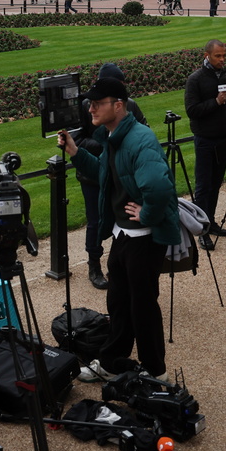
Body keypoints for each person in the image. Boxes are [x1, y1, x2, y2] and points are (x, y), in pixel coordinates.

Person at [58, 77, 178, 383]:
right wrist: (75, 152)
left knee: (143, 308)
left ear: (119, 106)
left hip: (144, 239)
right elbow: (104, 172)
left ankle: (156, 373)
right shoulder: (114, 136)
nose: (91, 109)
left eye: (98, 104)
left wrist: (148, 214)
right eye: (90, 104)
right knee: (119, 302)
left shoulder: (140, 138)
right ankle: (112, 362)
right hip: (124, 235)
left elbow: (160, 187)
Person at [71, 63, 147, 290]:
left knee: (122, 220)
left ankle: (117, 264)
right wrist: (111, 143)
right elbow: (77, 141)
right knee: (95, 221)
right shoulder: (87, 107)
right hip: (93, 177)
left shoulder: (130, 105)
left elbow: (144, 130)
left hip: (120, 177)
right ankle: (93, 264)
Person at [185, 39, 226, 249]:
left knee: (216, 184)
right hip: (204, 140)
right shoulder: (196, 79)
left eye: (224, 55)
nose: (222, 59)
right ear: (207, 55)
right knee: (203, 186)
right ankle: (201, 230)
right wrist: (215, 102)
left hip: (223, 139)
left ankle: (211, 221)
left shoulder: (225, 76)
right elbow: (192, 111)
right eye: (218, 56)